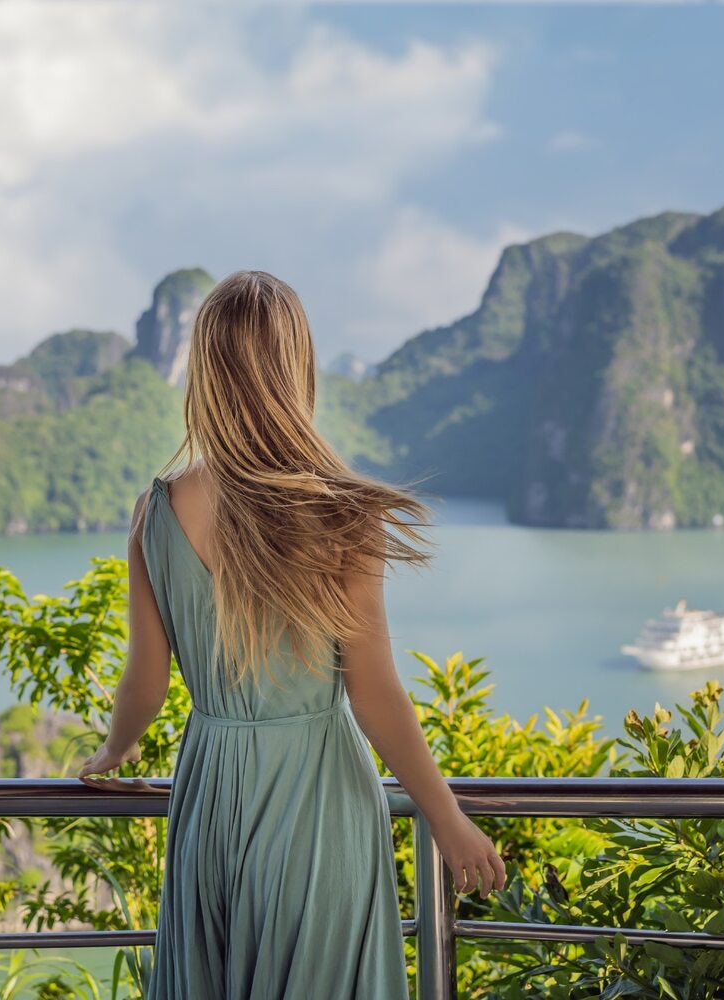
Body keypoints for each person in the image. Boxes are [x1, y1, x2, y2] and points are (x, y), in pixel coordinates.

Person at [76, 270, 507, 999]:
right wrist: (446, 817)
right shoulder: (342, 514)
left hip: (210, 792)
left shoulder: (155, 512)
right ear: (296, 367)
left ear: (205, 373)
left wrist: (111, 752)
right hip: (318, 798)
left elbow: (144, 682)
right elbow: (374, 694)